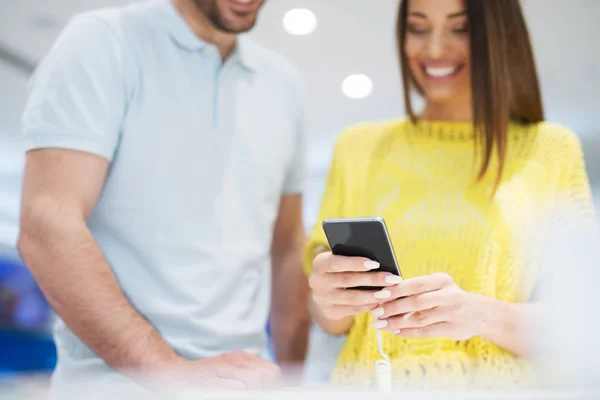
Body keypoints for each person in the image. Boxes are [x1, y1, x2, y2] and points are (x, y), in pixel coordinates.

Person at [18, 0, 310, 395]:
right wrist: (168, 371)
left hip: (244, 380)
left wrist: (293, 382)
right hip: (115, 386)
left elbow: (288, 246)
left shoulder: (284, 84)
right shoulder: (103, 41)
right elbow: (47, 224)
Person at [305, 0, 597, 390]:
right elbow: (333, 323)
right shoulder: (357, 147)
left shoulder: (551, 150)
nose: (434, 50)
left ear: (498, 36)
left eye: (461, 28)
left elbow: (577, 323)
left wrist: (479, 314)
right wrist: (330, 298)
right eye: (418, 27)